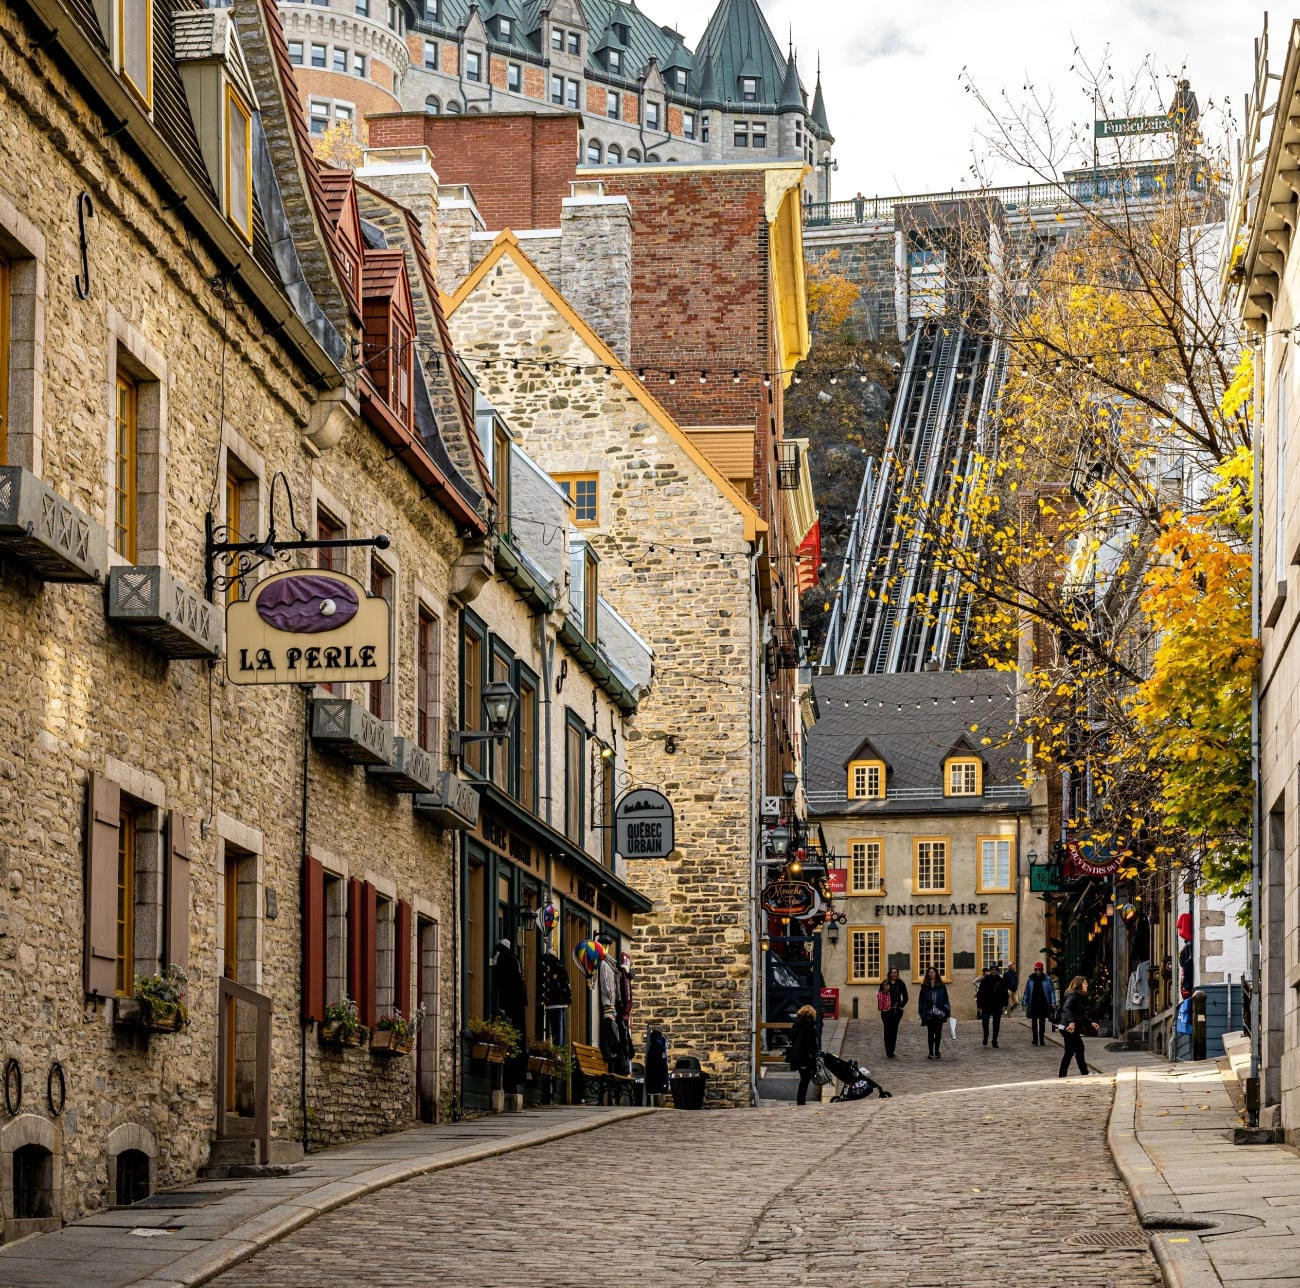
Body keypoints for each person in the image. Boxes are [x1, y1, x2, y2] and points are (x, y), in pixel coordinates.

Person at [1058, 976, 1095, 1077]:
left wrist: (1090, 1022)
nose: (1087, 985)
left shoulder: (1077, 996)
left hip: (1068, 1026)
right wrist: (1071, 1022)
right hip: (1068, 1027)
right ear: (1079, 985)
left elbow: (1079, 1014)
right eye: (1085, 983)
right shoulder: (1073, 995)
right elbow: (1066, 1008)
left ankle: (1063, 1075)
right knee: (1077, 1049)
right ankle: (1083, 1072)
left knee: (1071, 1051)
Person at [786, 1004, 820, 1104]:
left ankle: (801, 1100)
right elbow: (810, 1042)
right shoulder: (809, 1025)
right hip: (805, 1056)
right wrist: (816, 1052)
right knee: (805, 1079)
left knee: (803, 1078)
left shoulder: (796, 1023)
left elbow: (791, 1036)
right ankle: (800, 1101)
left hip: (796, 1055)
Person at [918, 966, 950, 1060]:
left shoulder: (941, 985)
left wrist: (946, 1010)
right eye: (929, 972)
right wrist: (921, 1011)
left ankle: (937, 1051)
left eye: (932, 972)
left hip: (939, 1012)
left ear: (936, 973)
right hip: (929, 1012)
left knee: (938, 1032)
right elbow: (921, 1000)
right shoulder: (925, 986)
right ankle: (931, 1052)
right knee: (930, 1032)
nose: (931, 974)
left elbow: (945, 998)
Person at [876, 966, 908, 1057]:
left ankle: (892, 1049)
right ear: (889, 974)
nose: (893, 974)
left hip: (896, 1011)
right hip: (886, 1011)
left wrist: (900, 1005)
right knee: (887, 1030)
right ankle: (888, 1050)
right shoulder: (885, 983)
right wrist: (882, 1006)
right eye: (892, 972)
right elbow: (880, 996)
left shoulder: (901, 983)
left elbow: (906, 997)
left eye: (895, 972)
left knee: (894, 1030)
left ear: (897, 974)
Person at [1022, 962, 1056, 1045]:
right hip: (1033, 1002)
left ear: (1042, 970)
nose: (1037, 971)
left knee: (1042, 1021)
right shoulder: (1030, 979)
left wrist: (1053, 1002)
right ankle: (1035, 1039)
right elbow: (1026, 991)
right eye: (1036, 969)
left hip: (1043, 1002)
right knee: (1034, 1021)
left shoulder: (1047, 979)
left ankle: (1041, 1038)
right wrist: (1024, 1002)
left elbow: (1051, 991)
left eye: (1039, 970)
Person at [976, 964, 1008, 1047]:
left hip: (997, 1005)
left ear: (997, 971)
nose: (993, 971)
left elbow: (1005, 994)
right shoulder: (985, 980)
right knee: (985, 1021)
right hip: (986, 1004)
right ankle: (985, 1036)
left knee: (996, 1024)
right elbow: (980, 993)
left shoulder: (1001, 981)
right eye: (992, 969)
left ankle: (994, 1040)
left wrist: (1005, 1004)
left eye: (995, 969)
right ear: (990, 970)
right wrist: (979, 1005)